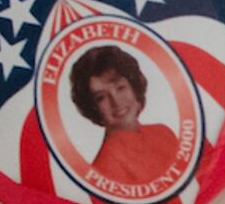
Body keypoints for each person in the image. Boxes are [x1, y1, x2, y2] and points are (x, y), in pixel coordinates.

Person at [67, 44, 184, 190]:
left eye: (120, 88)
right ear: (93, 108)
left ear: (134, 88)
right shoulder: (106, 168)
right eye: (101, 97)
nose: (116, 102)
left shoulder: (163, 133)